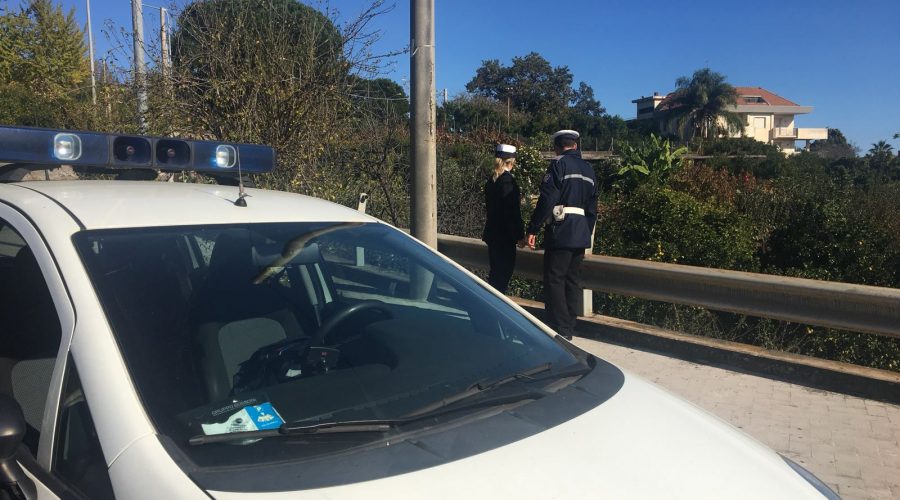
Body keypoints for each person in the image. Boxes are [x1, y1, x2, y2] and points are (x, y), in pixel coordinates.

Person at [524, 130, 598, 340]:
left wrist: (533, 228)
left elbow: (548, 199)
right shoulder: (589, 170)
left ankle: (560, 327)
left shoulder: (558, 165)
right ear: (576, 146)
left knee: (554, 278)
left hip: (561, 229)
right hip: (581, 231)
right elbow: (593, 208)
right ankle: (570, 324)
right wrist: (586, 231)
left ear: (558, 147)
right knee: (571, 279)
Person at [482, 144, 525, 293]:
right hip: (505, 238)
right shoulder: (508, 182)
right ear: (511, 161)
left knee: (495, 276)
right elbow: (512, 212)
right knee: (501, 279)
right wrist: (520, 235)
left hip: (492, 236)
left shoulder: (492, 181)